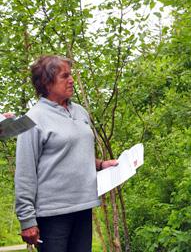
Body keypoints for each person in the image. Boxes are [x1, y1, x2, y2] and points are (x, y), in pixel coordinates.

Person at [15, 55, 118, 252]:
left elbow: (72, 154)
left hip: (83, 206)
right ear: (46, 82)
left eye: (71, 75)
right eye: (65, 76)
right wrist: (27, 220)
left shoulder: (79, 111)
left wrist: (101, 165)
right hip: (52, 214)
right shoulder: (32, 119)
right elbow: (25, 172)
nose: (71, 80)